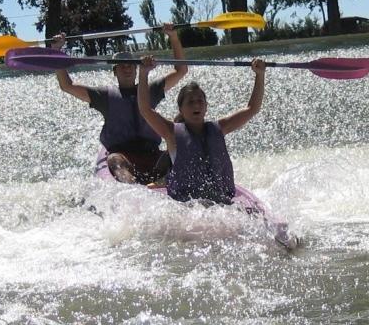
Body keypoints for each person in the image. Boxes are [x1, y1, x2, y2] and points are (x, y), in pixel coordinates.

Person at [54, 25, 187, 184]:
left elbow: (181, 70)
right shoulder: (104, 96)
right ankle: (133, 187)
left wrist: (173, 37)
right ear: (115, 71)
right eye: (122, 65)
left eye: (130, 65)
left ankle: (163, 183)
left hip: (152, 155)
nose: (127, 68)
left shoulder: (151, 90)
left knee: (175, 153)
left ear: (137, 70)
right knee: (115, 160)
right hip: (123, 156)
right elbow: (67, 86)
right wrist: (57, 52)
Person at [137, 55, 266, 204]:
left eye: (200, 101)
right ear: (181, 109)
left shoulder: (220, 127)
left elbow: (252, 108)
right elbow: (145, 109)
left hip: (221, 203)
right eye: (190, 102)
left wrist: (260, 75)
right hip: (187, 207)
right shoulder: (171, 132)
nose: (196, 105)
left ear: (206, 107)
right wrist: (143, 73)